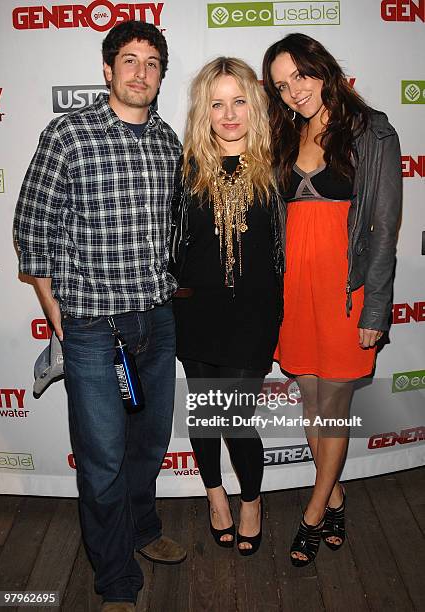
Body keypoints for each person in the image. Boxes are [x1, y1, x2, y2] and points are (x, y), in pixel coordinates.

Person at [14, 20, 185, 612]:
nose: (141, 72)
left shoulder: (169, 143)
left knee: (148, 445)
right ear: (108, 69)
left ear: (162, 75)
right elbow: (30, 229)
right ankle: (115, 581)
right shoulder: (70, 134)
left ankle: (143, 530)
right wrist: (55, 311)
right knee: (103, 458)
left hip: (156, 322)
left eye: (153, 62)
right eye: (130, 61)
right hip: (90, 327)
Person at [262, 33, 402, 566]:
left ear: (323, 69)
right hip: (297, 292)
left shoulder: (372, 131)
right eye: (281, 85)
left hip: (348, 294)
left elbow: (385, 228)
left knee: (333, 409)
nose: (293, 90)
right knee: (311, 402)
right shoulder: (285, 134)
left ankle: (314, 513)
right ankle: (337, 494)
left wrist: (376, 309)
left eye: (300, 75)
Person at [171, 57, 285, 556]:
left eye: (239, 101)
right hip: (195, 312)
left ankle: (252, 501)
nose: (229, 113)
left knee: (235, 417)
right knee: (204, 413)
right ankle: (215, 494)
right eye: (217, 103)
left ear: (254, 105)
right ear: (204, 110)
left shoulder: (281, 166)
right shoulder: (185, 167)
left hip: (253, 315)